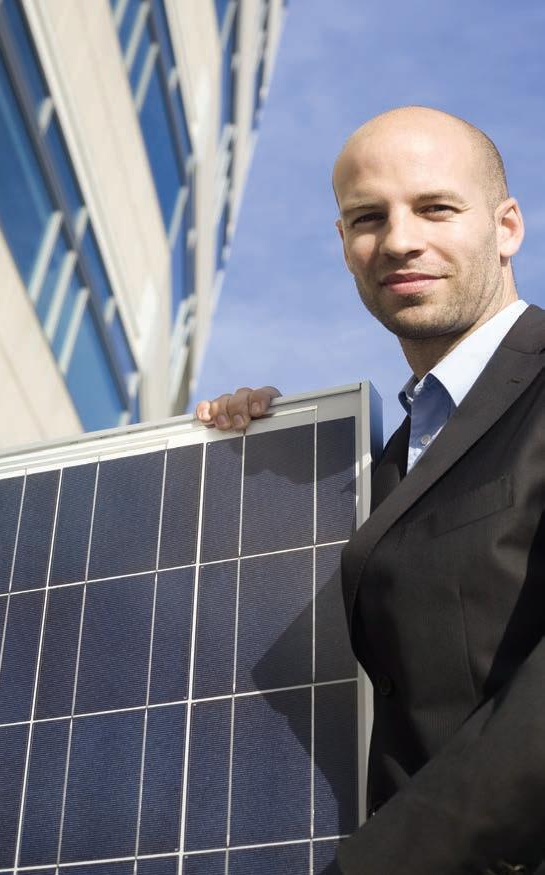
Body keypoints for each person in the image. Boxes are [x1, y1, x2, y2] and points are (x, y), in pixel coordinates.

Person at [196, 106, 545, 874]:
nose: (398, 240)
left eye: (434, 207)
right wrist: (249, 448)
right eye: (367, 218)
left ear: (506, 227)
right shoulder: (385, 460)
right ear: (344, 246)